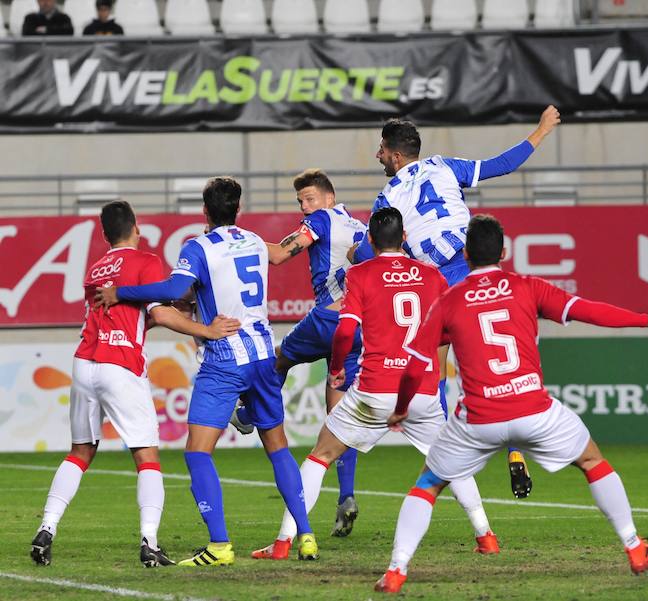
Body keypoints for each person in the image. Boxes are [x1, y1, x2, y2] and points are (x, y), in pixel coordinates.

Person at [374, 214, 648, 593]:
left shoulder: (449, 301)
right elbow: (587, 309)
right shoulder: (527, 287)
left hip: (478, 419)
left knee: (428, 484)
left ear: (466, 255)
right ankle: (635, 548)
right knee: (592, 461)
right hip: (534, 411)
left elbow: (413, 366)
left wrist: (402, 407)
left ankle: (396, 570)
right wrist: (643, 319)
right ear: (504, 251)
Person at [96, 177, 319, 565]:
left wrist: (122, 293)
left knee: (198, 453)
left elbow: (172, 288)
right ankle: (306, 535)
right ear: (238, 209)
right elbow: (265, 261)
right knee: (278, 446)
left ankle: (219, 545)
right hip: (264, 353)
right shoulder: (252, 240)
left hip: (224, 358)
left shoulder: (197, 247)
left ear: (205, 211)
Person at [354, 105, 563, 500]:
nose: (378, 156)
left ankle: (449, 457)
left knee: (434, 368)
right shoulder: (445, 166)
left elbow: (374, 252)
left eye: (381, 150)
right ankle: (515, 453)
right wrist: (540, 130)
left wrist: (351, 251)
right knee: (494, 363)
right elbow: (500, 165)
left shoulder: (389, 196)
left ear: (396, 156)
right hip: (475, 265)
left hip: (439, 283)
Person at [273, 206, 499, 557]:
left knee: (319, 457)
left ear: (371, 242)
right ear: (405, 238)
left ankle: (284, 541)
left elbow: (346, 330)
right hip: (421, 392)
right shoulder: (431, 275)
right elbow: (446, 331)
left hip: (375, 389)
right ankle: (486, 535)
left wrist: (336, 368)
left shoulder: (360, 274)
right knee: (450, 460)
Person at [30, 201, 240, 568]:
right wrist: (205, 329)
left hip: (84, 363)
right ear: (136, 227)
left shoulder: (96, 268)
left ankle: (46, 527)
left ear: (104, 234)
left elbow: (134, 318)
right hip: (120, 364)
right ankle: (149, 541)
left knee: (80, 451)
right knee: (147, 457)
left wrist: (178, 313)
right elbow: (156, 313)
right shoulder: (146, 261)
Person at [240, 169, 368, 560]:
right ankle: (345, 496)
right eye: (300, 202)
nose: (304, 207)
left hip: (328, 320)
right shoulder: (359, 225)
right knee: (338, 416)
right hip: (357, 325)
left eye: (309, 198)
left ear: (329, 197)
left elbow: (278, 255)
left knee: (278, 359)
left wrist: (236, 239)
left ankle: (249, 414)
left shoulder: (320, 221)